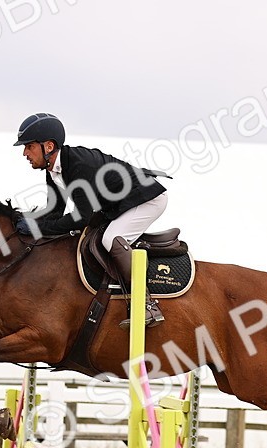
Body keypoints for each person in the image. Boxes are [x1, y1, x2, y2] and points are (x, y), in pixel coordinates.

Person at [13, 112, 168, 328]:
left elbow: (80, 218)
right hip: (120, 204)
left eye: (29, 146)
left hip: (147, 199)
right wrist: (22, 221)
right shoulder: (54, 170)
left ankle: (148, 306)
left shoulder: (77, 166)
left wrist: (36, 226)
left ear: (48, 146)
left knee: (110, 239)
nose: (24, 153)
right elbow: (55, 213)